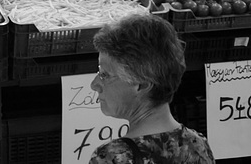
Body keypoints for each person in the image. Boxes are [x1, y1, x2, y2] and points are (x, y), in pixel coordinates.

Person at [89, 13, 215, 164]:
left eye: (104, 74)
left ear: (141, 85)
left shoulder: (114, 158)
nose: (94, 84)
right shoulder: (198, 145)